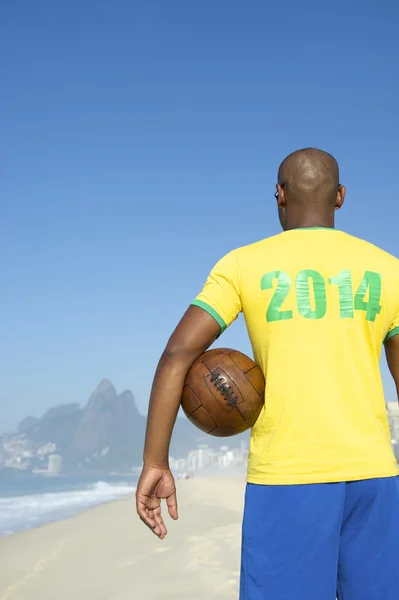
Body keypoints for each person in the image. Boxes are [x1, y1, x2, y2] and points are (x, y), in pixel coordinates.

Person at [136, 148, 399, 599]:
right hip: (376, 479)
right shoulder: (388, 269)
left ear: (279, 194)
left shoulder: (243, 264)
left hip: (287, 480)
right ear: (340, 197)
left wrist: (156, 462)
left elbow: (177, 353)